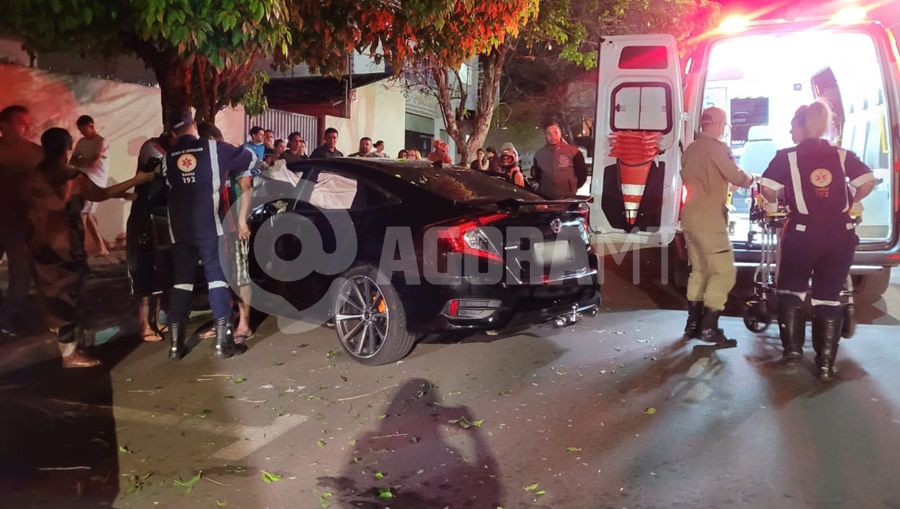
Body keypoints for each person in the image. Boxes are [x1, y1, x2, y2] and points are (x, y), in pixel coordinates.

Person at [761, 101, 874, 381]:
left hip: (803, 233)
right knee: (828, 296)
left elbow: (767, 188)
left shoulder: (786, 157)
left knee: (791, 291)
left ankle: (792, 352)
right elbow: (867, 181)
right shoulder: (842, 155)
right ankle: (825, 365)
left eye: (792, 127)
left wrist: (776, 201)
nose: (790, 132)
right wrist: (850, 198)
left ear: (802, 126)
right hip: (840, 234)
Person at [28, 127, 153, 367]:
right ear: (67, 148)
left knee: (51, 298)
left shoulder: (33, 176)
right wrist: (138, 181)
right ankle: (69, 355)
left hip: (39, 246)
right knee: (67, 299)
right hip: (64, 249)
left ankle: (65, 348)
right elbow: (101, 193)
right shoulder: (71, 177)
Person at [162, 112, 255, 360]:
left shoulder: (166, 158)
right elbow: (251, 156)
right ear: (194, 125)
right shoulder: (215, 149)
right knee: (217, 280)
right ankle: (223, 344)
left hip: (179, 231)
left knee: (181, 282)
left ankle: (175, 346)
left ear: (172, 133)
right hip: (210, 228)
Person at [680, 106, 756, 347]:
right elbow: (737, 178)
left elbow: (707, 180)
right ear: (720, 124)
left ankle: (692, 324)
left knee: (700, 270)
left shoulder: (691, 149)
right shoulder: (719, 148)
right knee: (723, 272)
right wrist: (752, 178)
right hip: (710, 220)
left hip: (690, 217)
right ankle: (710, 328)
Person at [127, 130, 176, 342]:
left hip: (161, 217)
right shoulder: (151, 148)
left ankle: (156, 320)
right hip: (144, 217)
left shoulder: (168, 151)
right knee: (144, 271)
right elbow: (160, 168)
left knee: (160, 270)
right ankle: (144, 325)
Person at [0, 105, 42, 336]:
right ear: (4, 125)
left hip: (20, 224)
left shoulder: (36, 153)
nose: (27, 126)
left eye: (27, 122)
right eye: (20, 122)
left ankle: (7, 318)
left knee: (20, 271)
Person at [70, 115, 110, 256]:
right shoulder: (81, 142)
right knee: (88, 214)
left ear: (91, 126)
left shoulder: (102, 142)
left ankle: (79, 249)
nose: (82, 133)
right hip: (83, 180)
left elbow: (92, 163)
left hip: (95, 182)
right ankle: (101, 248)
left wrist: (82, 162)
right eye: (80, 131)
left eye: (84, 130)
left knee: (83, 214)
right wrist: (83, 162)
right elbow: (73, 160)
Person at [532, 120, 588, 198]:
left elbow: (582, 175)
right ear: (545, 135)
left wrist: (572, 188)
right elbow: (538, 177)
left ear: (560, 133)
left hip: (568, 198)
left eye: (555, 132)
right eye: (549, 133)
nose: (552, 136)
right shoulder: (539, 155)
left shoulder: (574, 152)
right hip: (545, 198)